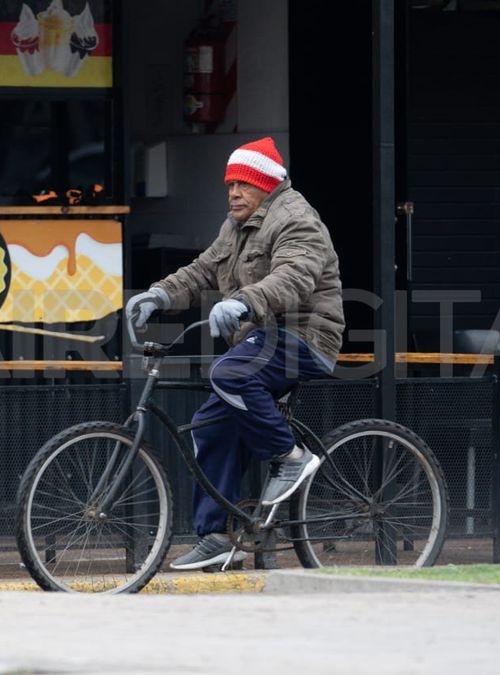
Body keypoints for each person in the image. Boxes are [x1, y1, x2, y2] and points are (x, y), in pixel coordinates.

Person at [125, 137, 345, 570]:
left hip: (305, 336)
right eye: (230, 185)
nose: (233, 193)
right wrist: (158, 294)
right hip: (260, 339)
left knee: (229, 372)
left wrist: (244, 301)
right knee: (211, 426)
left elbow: (295, 276)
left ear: (265, 185)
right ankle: (215, 537)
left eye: (243, 184)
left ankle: (290, 458)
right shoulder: (235, 225)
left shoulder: (296, 219)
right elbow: (203, 269)